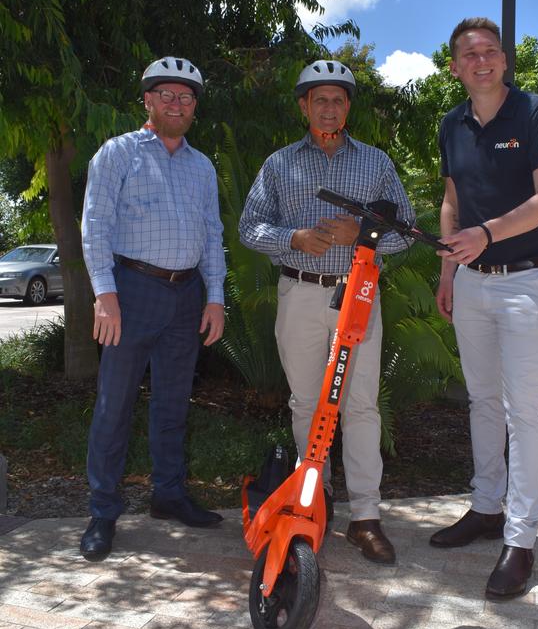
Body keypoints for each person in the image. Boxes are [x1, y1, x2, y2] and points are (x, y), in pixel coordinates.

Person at [239, 59, 414, 564]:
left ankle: (366, 517)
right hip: (301, 293)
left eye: (339, 99)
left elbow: (405, 232)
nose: (330, 108)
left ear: (349, 106)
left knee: (361, 405)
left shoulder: (376, 163)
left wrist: (361, 235)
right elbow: (251, 227)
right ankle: (317, 499)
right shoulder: (279, 165)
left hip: (358, 294)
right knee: (305, 403)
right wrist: (290, 237)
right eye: (320, 100)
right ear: (303, 106)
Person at [430, 18, 538, 599]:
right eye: (469, 54)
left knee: (523, 409)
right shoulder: (451, 124)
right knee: (483, 401)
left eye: (489, 51)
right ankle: (486, 508)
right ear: (457, 67)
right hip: (472, 283)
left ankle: (521, 538)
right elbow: (451, 201)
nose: (480, 61)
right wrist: (448, 270)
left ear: (504, 60)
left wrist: (486, 234)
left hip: (527, 281)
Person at [80, 56, 227, 561]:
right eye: (166, 95)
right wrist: (105, 295)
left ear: (194, 108)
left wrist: (214, 297)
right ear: (147, 99)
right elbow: (95, 226)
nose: (177, 104)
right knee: (113, 405)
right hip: (131, 292)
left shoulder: (201, 166)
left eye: (186, 98)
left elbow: (212, 233)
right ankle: (102, 511)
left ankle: (169, 494)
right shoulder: (117, 153)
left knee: (172, 403)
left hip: (186, 298)